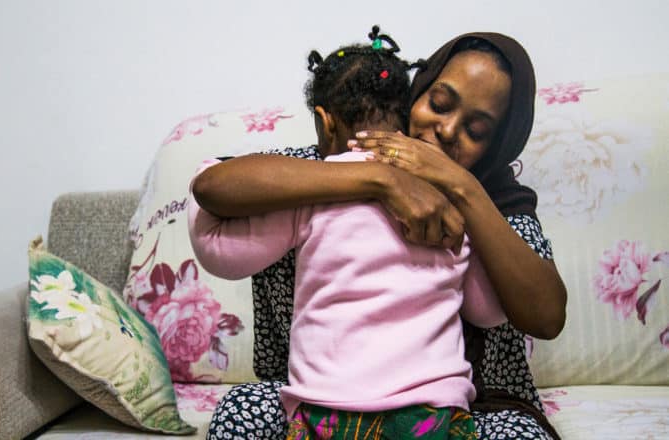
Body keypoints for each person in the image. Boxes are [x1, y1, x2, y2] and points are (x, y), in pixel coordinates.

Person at [194, 31, 566, 440]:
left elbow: (545, 317)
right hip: (322, 402)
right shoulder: (329, 167)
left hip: (463, 410)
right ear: (414, 93)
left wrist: (463, 189)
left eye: (476, 131)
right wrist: (381, 179)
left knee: (520, 434)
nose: (445, 129)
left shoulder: (498, 202)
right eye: (438, 104)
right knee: (241, 408)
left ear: (498, 146)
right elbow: (214, 187)